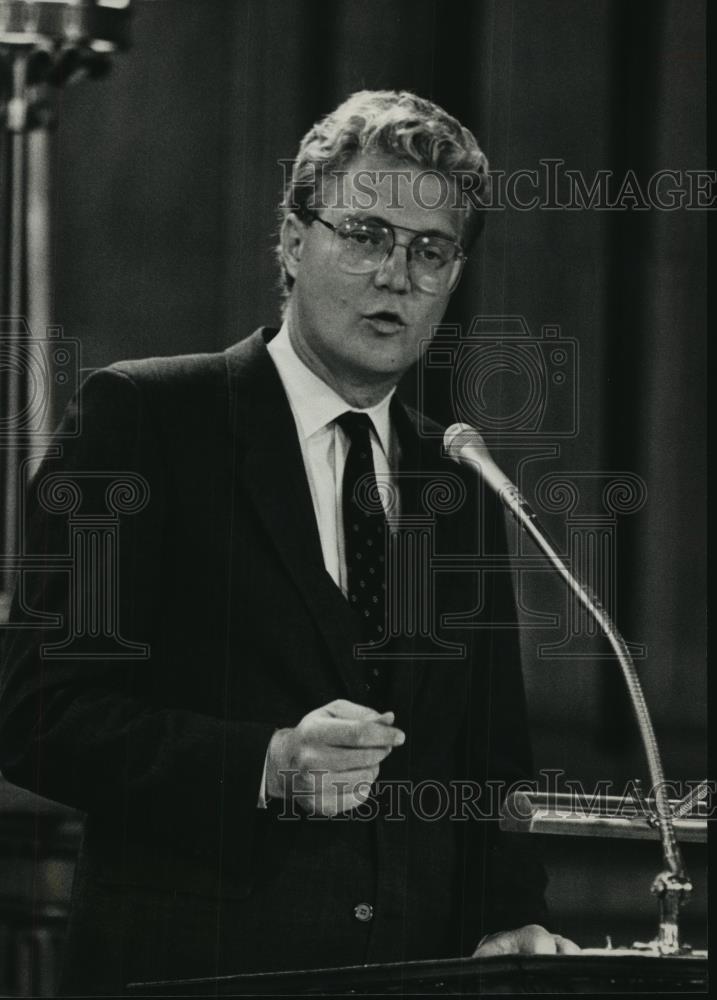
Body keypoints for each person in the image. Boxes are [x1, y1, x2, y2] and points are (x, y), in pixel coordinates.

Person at [0, 90, 576, 995]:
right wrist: (263, 765)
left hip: (410, 977)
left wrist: (511, 915)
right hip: (193, 973)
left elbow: (488, 759)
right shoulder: (148, 417)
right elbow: (36, 712)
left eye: (430, 251)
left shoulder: (452, 473)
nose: (396, 275)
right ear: (291, 239)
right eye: (365, 233)